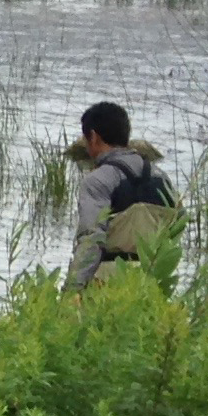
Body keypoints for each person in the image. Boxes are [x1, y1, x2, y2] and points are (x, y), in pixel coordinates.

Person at [68, 99, 174, 289]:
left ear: (93, 136)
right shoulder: (162, 178)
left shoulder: (97, 180)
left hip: (107, 281)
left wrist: (73, 288)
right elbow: (173, 232)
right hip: (151, 278)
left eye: (85, 139)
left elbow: (91, 239)